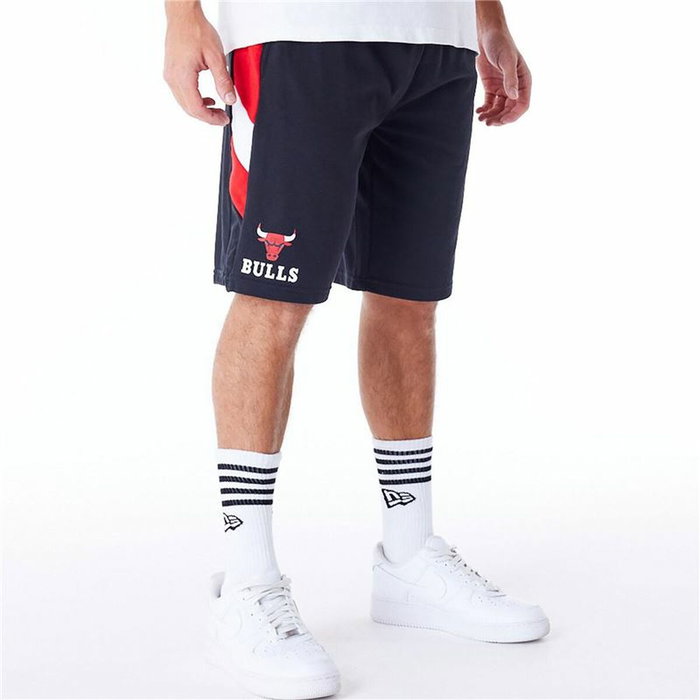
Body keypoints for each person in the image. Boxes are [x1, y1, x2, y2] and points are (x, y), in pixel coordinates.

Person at [164, 1, 547, 697]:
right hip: (298, 35)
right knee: (273, 298)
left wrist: (489, 19)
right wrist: (181, 16)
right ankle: (246, 581)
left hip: (438, 43)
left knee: (409, 298)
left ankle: (408, 554)